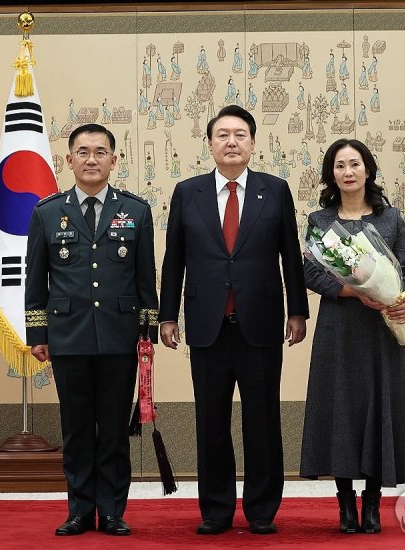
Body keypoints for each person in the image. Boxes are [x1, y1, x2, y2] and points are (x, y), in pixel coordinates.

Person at [159, 105, 309, 536]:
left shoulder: (275, 190)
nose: (231, 142)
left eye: (239, 135)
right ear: (209, 144)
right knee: (211, 423)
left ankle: (262, 510)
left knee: (263, 421)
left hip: (260, 325)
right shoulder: (189, 192)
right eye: (222, 135)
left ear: (253, 143)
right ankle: (216, 511)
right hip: (206, 325)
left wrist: (297, 309)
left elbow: (290, 256)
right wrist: (168, 316)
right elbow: (174, 261)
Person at [25, 124, 157, 537]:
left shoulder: (135, 210)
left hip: (119, 336)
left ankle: (113, 509)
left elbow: (145, 279)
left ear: (114, 160)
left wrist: (147, 333)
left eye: (101, 152)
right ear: (69, 160)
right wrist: (37, 334)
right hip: (68, 336)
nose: (91, 159)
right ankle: (80, 510)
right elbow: (36, 280)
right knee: (77, 428)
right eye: (82, 152)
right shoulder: (47, 212)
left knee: (114, 429)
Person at [300, 138, 405, 535]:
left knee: (377, 406)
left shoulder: (390, 219)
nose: (348, 172)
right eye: (340, 166)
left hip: (379, 330)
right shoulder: (319, 222)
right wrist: (356, 291)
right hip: (337, 328)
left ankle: (372, 504)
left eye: (355, 164)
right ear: (331, 174)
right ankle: (344, 507)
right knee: (341, 409)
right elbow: (310, 272)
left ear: (368, 169)